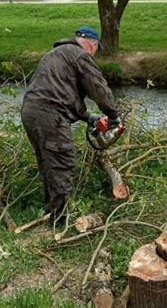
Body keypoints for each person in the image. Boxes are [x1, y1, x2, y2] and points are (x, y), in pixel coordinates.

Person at [21, 26, 120, 225]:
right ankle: (58, 218)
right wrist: (113, 115)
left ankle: (49, 210)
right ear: (93, 45)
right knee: (62, 163)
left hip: (31, 111)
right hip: (50, 114)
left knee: (48, 162)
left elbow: (63, 93)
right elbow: (98, 88)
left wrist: (89, 117)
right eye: (96, 49)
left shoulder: (57, 54)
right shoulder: (80, 56)